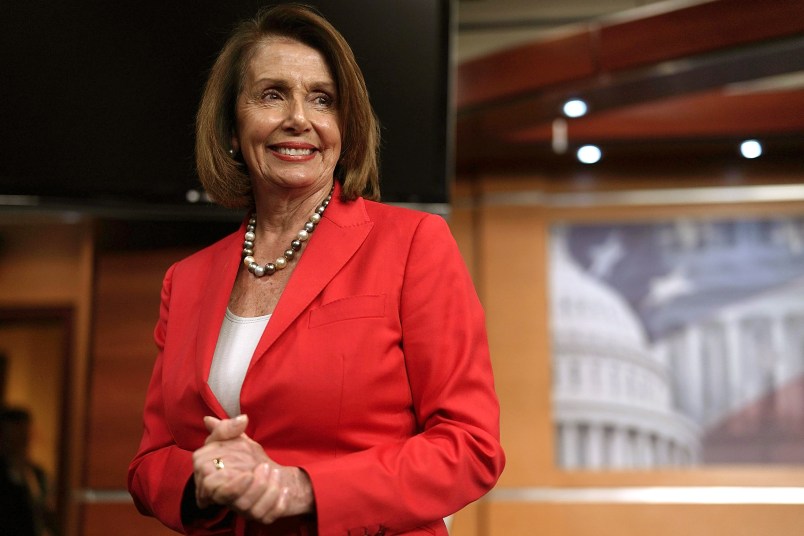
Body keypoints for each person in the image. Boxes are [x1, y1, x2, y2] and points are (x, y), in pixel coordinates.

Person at [127, 4, 504, 535]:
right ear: (232, 128)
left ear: (343, 131)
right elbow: (150, 463)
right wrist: (202, 478)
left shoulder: (414, 244)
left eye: (322, 100)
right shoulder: (185, 280)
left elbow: (470, 447)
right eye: (272, 94)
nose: (298, 118)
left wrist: (302, 488)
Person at [0, 407, 59, 536]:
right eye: (14, 433)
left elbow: (46, 513)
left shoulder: (37, 474)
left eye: (24, 433)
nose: (21, 439)